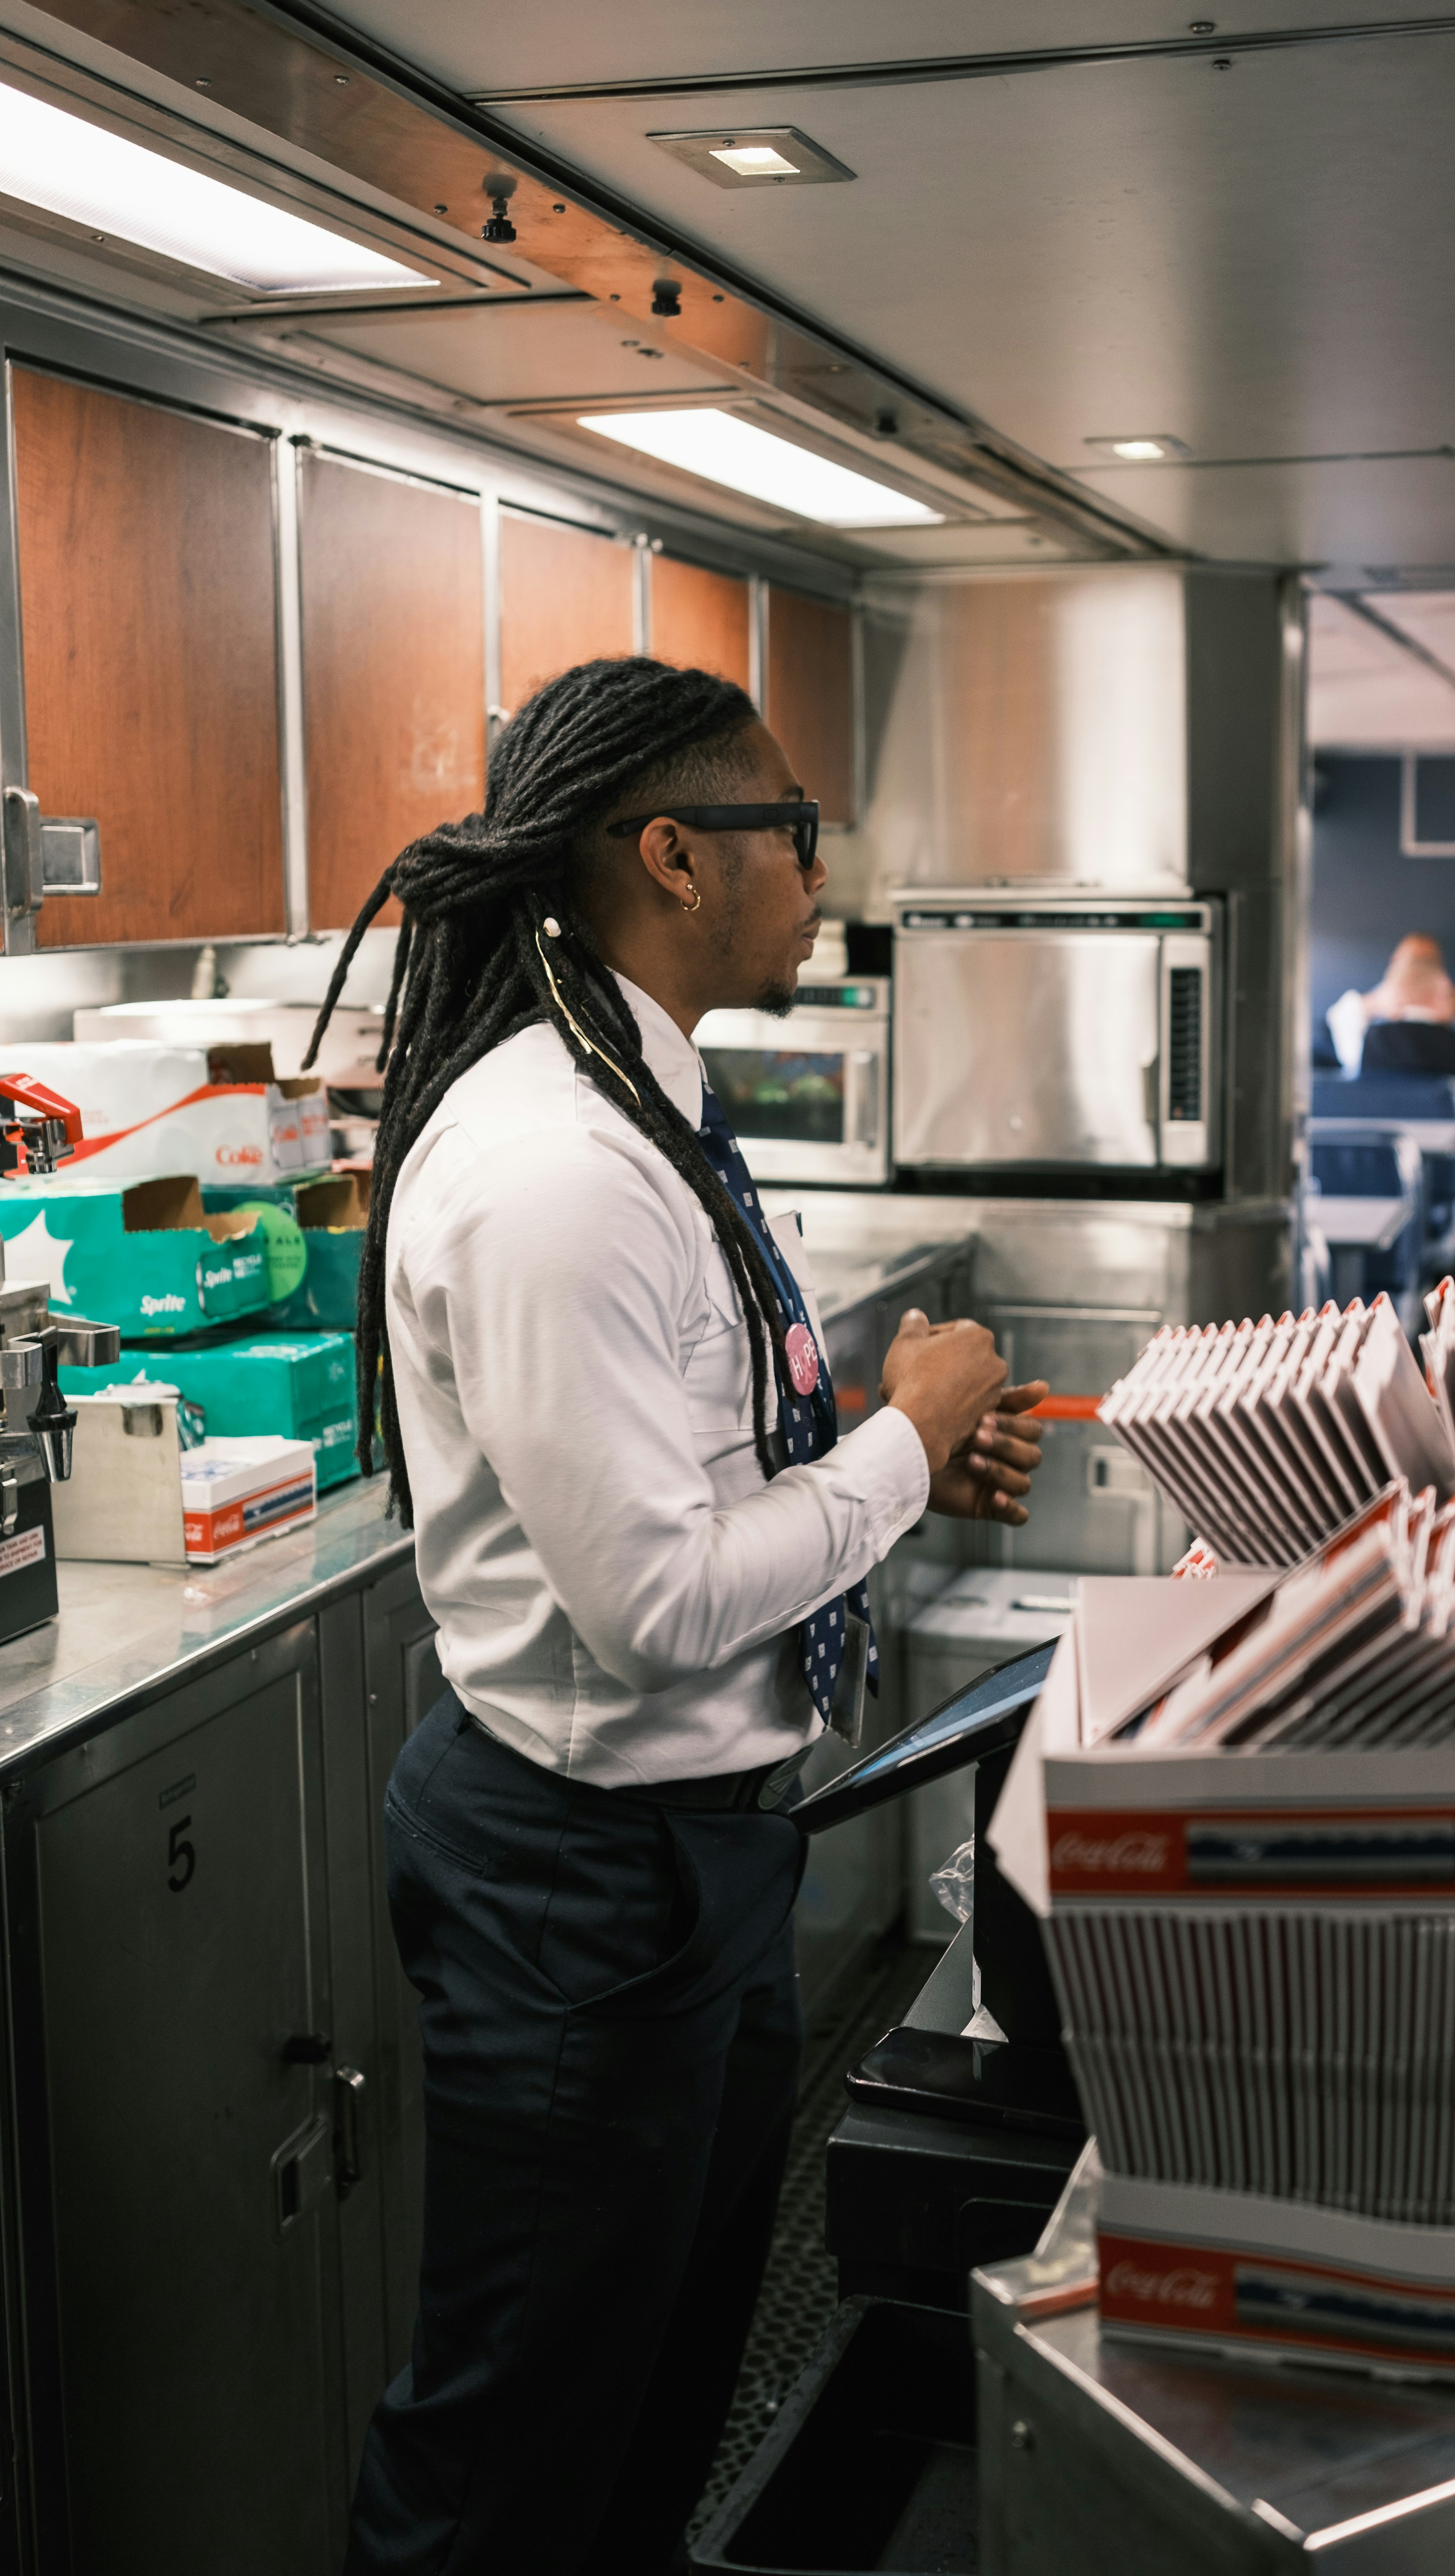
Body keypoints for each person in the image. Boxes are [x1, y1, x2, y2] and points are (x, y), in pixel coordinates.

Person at [307, 657, 1047, 2576]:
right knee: (506, 2455)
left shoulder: (653, 1111)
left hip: (700, 1862)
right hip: (580, 1885)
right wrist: (901, 1442)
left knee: (654, 2407)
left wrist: (881, 1465)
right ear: (670, 855)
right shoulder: (558, 1167)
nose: (819, 875)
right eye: (792, 835)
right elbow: (652, 1603)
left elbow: (709, 1484)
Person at [1325, 932, 1455, 1076]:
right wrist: (1377, 1003)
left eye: (1425, 963)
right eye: (1411, 962)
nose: (1415, 971)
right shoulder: (1370, 1017)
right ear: (1395, 962)